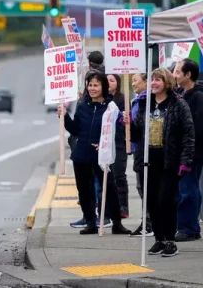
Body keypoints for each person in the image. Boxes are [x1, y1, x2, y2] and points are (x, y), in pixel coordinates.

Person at [127, 68, 195, 257]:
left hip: (169, 160)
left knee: (166, 199)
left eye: (158, 79)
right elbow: (136, 134)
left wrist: (185, 161)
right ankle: (159, 239)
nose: (154, 83)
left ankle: (170, 240)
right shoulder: (144, 104)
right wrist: (127, 124)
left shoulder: (178, 104)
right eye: (152, 80)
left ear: (167, 82)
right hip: (148, 160)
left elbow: (188, 134)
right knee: (152, 201)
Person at [59, 71, 132, 236]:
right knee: (84, 190)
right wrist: (64, 117)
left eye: (96, 85)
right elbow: (75, 129)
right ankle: (90, 222)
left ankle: (116, 223)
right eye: (90, 85)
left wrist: (105, 144)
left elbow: (117, 130)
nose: (92, 88)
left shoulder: (111, 106)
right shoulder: (83, 105)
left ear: (103, 87)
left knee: (110, 189)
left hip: (102, 155)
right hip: (82, 154)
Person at [172, 58, 203, 242]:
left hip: (192, 152)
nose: (174, 75)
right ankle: (189, 226)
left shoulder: (197, 97)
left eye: (177, 71)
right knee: (186, 188)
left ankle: (188, 228)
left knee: (188, 189)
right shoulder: (182, 93)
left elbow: (198, 127)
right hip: (184, 150)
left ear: (188, 75)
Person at [129, 73, 153, 237]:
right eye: (131, 81)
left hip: (147, 149)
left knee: (146, 187)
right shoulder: (137, 100)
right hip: (138, 148)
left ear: (146, 82)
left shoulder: (148, 100)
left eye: (135, 80)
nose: (133, 84)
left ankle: (149, 223)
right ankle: (147, 222)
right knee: (141, 187)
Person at [107, 74, 129, 218]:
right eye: (107, 80)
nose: (109, 83)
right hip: (106, 142)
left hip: (119, 141)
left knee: (119, 174)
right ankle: (109, 207)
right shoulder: (102, 99)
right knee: (107, 176)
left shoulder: (123, 99)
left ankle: (123, 207)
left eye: (112, 80)